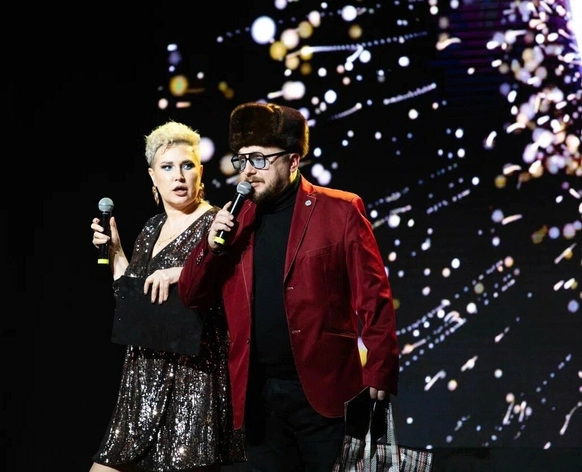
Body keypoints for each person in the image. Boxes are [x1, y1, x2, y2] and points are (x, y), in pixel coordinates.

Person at [178, 102, 399, 471]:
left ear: (293, 161)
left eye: (260, 159)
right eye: (242, 160)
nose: (248, 171)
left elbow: (373, 295)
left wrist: (380, 367)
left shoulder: (340, 210)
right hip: (258, 397)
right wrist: (211, 247)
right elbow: (190, 294)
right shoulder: (234, 221)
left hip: (325, 391)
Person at [89, 121, 246, 472]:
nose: (178, 176)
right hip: (142, 375)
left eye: (187, 165)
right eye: (168, 167)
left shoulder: (217, 225)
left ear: (200, 171)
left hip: (192, 376)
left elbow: (225, 290)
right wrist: (116, 254)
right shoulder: (150, 229)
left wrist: (182, 272)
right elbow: (133, 306)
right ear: (152, 176)